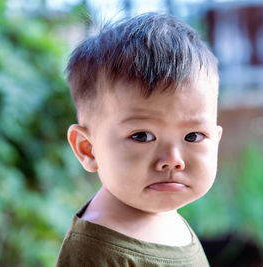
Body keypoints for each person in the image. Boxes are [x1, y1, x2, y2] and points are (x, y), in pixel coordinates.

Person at [56, 12, 223, 267]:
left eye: (193, 136)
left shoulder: (167, 217)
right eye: (142, 136)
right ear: (88, 149)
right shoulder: (97, 252)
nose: (172, 161)